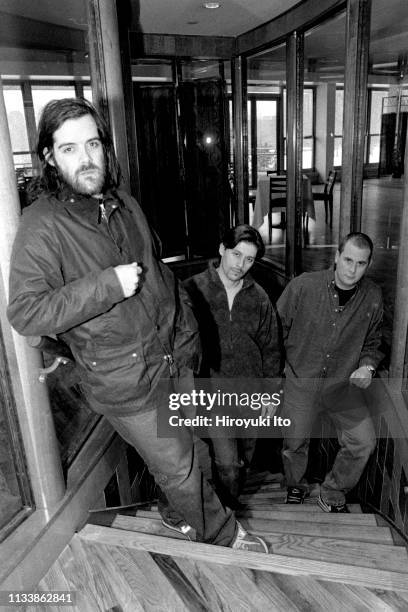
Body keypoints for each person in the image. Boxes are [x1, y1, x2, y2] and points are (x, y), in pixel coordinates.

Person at [7, 97, 268, 552]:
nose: (86, 158)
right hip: (125, 382)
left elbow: (160, 275)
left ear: (105, 147)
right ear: (48, 156)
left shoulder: (123, 203)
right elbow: (26, 312)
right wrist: (107, 285)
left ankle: (174, 513)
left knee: (197, 453)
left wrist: (186, 335)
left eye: (92, 144)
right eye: (69, 148)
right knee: (181, 466)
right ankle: (227, 539)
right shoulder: (40, 224)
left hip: (172, 362)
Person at [277, 232, 383, 512]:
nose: (352, 269)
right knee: (294, 443)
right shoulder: (302, 287)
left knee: (364, 442)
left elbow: (374, 340)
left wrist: (367, 365)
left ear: (368, 264)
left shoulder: (372, 295)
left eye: (361, 263)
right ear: (336, 257)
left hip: (342, 385)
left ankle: (333, 491)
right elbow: (275, 334)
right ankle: (295, 486)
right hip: (301, 380)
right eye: (348, 260)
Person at [184, 225, 281, 508]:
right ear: (221, 249)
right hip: (212, 392)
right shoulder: (192, 289)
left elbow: (271, 348)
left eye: (249, 259)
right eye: (236, 254)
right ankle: (225, 518)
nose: (241, 265)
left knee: (242, 461)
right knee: (227, 461)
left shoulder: (259, 296)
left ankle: (229, 506)